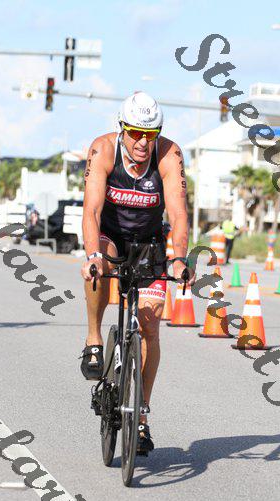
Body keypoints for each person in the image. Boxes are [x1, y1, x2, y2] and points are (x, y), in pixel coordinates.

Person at [80, 91, 195, 452]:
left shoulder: (169, 154)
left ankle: (141, 414)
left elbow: (178, 212)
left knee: (149, 326)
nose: (143, 142)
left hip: (149, 242)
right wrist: (93, 256)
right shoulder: (103, 149)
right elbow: (91, 210)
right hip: (110, 236)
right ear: (122, 129)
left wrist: (179, 258)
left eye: (151, 134)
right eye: (135, 133)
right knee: (99, 265)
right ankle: (94, 338)